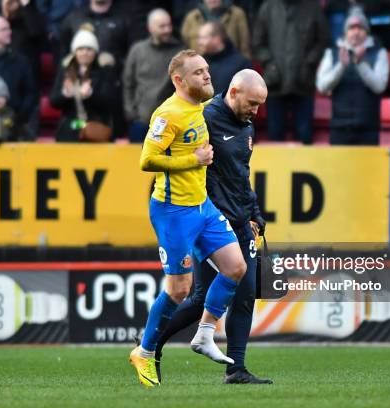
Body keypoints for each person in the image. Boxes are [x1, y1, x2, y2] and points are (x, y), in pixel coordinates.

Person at [130, 49, 247, 388]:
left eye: (207, 70)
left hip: (203, 207)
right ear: (179, 80)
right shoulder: (168, 114)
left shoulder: (198, 108)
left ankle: (205, 334)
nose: (207, 76)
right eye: (198, 72)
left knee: (235, 267)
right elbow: (147, 159)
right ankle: (145, 351)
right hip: (173, 212)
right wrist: (193, 159)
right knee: (179, 290)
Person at [154, 69, 270, 385]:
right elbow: (172, 162)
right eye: (252, 103)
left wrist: (255, 212)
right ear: (233, 92)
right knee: (199, 299)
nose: (255, 112)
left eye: (260, 105)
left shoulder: (246, 125)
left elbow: (241, 174)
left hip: (241, 221)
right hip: (210, 222)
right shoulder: (203, 118)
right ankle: (151, 346)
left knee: (246, 296)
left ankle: (236, 370)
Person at [252, 0, 329, 144]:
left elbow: (322, 41)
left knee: (304, 135)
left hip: (303, 81)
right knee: (275, 135)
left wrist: (308, 63)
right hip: (276, 81)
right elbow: (258, 43)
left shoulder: (313, 7)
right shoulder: (268, 7)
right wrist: (270, 65)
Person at [317, 8, 389, 145]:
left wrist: (361, 64)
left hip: (368, 129)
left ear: (367, 32)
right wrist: (341, 67)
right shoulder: (332, 53)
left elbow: (379, 86)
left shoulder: (379, 52)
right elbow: (322, 86)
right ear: (345, 32)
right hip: (339, 128)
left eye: (360, 28)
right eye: (352, 28)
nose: (356, 32)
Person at [123, 8, 183, 143]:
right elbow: (128, 83)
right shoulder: (137, 51)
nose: (167, 29)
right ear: (150, 28)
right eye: (162, 26)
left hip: (169, 123)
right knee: (136, 162)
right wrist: (130, 113)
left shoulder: (180, 53)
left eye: (169, 25)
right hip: (140, 121)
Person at [49, 28, 118, 142]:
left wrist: (91, 95)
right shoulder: (65, 70)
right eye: (80, 49)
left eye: (89, 49)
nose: (84, 53)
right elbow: (53, 101)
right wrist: (65, 94)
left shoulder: (105, 70)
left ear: (95, 52)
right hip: (70, 129)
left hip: (96, 129)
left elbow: (111, 102)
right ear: (75, 52)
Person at [181, 0, 251, 59]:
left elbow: (245, 48)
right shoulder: (192, 17)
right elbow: (185, 46)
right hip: (199, 68)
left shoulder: (236, 14)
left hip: (231, 65)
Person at [197, 21, 252, 95]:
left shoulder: (241, 64)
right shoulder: (199, 64)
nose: (199, 42)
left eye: (203, 38)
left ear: (217, 39)